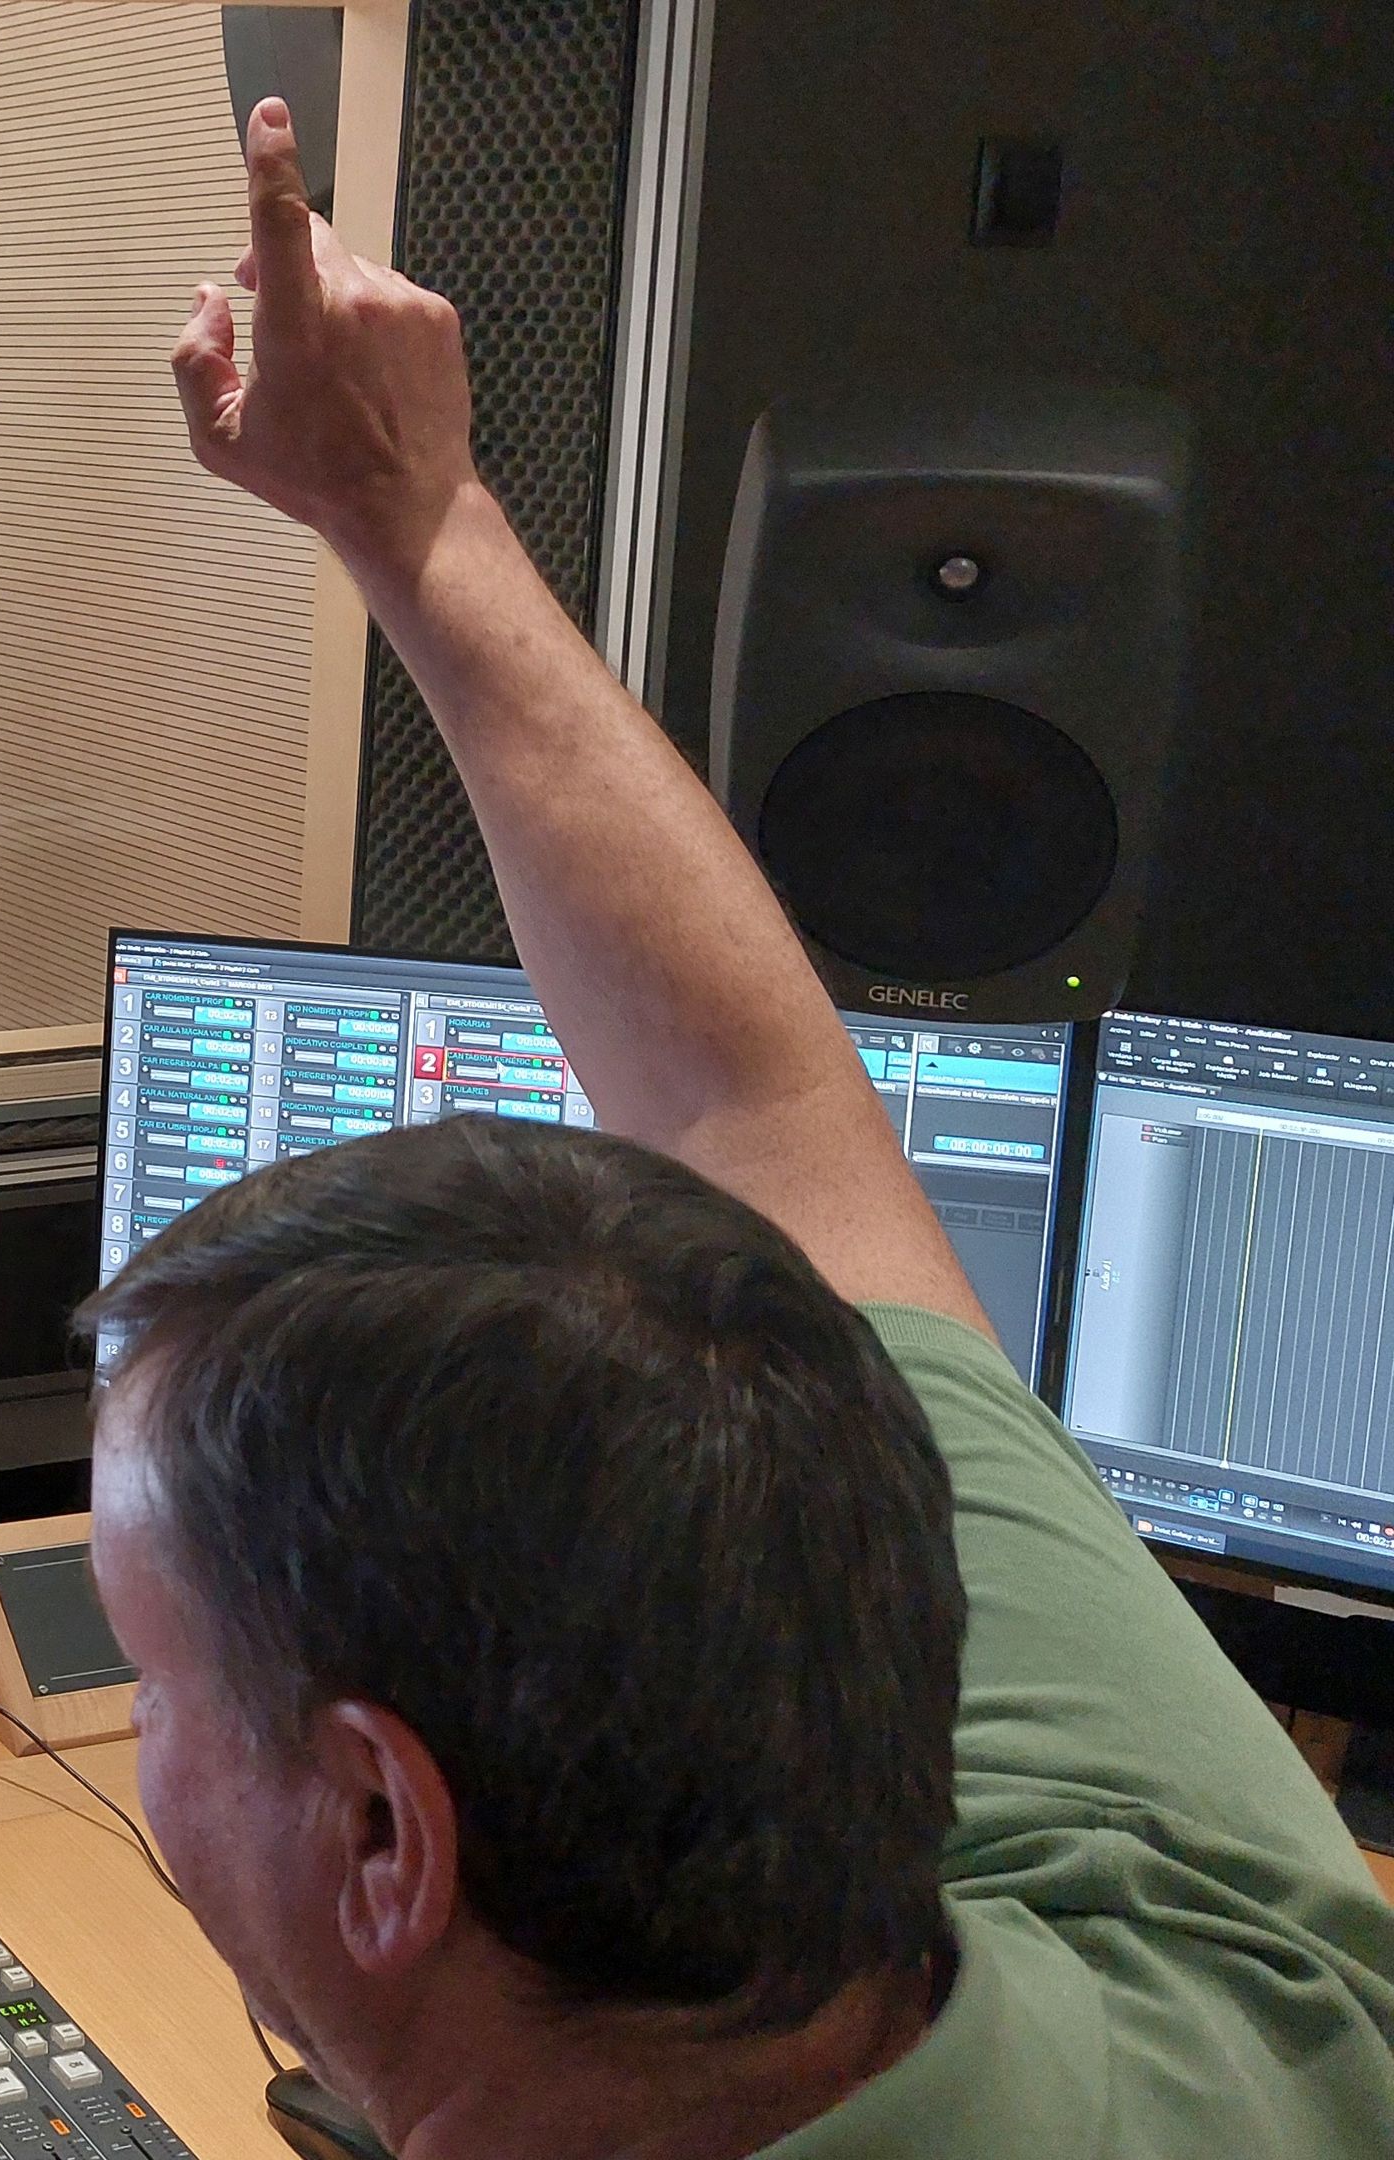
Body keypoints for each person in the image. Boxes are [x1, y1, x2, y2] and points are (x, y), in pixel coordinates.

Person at [78, 97, 1394, 2160]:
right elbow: (752, 1102)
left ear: (380, 1830)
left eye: (151, 1684)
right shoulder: (1255, 1973)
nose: (138, 1738)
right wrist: (413, 518)